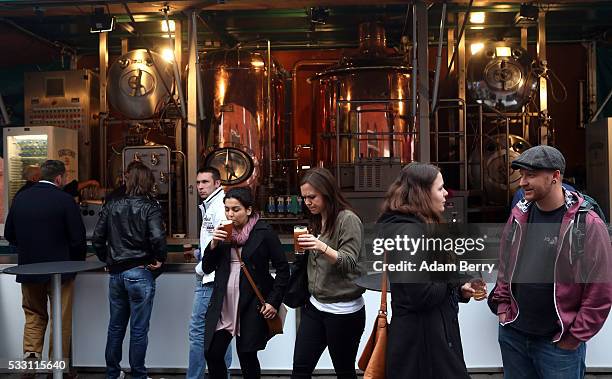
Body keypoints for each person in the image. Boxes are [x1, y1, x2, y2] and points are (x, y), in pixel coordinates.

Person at [489, 145, 612, 379]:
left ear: (555, 176)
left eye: (531, 175)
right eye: (522, 175)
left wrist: (575, 337)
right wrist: (503, 309)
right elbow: (505, 266)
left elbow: (600, 291)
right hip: (514, 335)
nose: (522, 182)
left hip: (558, 344)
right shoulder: (518, 215)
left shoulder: (587, 223)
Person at [377, 162, 482, 378]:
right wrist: (452, 279)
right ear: (422, 193)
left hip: (429, 343)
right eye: (440, 188)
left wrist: (460, 287)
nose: (446, 194)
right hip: (423, 350)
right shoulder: (409, 232)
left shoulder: (418, 226)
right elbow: (420, 295)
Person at [4, 160, 87, 379]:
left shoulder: (21, 198)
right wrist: (75, 265)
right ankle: (57, 368)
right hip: (61, 272)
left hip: (30, 269)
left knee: (33, 316)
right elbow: (78, 240)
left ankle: (30, 367)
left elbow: (10, 234)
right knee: (61, 319)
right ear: (59, 178)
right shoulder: (65, 200)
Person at [202, 187, 289, 379]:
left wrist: (273, 301)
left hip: (251, 303)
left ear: (248, 210)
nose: (230, 214)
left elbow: (283, 269)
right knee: (212, 353)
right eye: (227, 209)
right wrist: (214, 244)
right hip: (224, 302)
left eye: (236, 209)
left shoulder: (263, 232)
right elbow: (207, 268)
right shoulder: (223, 233)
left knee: (247, 355)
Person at [92, 161, 167, 379]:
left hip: (116, 274)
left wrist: (107, 259)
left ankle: (113, 373)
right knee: (138, 329)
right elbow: (157, 237)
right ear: (147, 181)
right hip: (139, 272)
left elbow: (97, 238)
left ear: (128, 179)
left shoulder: (112, 204)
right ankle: (138, 375)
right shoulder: (150, 206)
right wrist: (159, 259)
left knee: (115, 327)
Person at [291, 167, 366, 379]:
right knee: (300, 369)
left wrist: (320, 246)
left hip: (344, 311)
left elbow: (350, 262)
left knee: (344, 371)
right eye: (304, 197)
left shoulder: (347, 219)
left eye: (312, 197)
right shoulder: (316, 220)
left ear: (327, 192)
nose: (307, 202)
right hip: (315, 306)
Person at [187, 167, 232, 379]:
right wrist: (200, 252)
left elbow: (223, 243)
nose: (200, 187)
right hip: (214, 277)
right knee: (222, 331)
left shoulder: (220, 208)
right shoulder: (213, 205)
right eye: (198, 183)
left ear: (217, 183)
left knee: (198, 332)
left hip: (210, 280)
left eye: (205, 182)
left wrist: (201, 267)